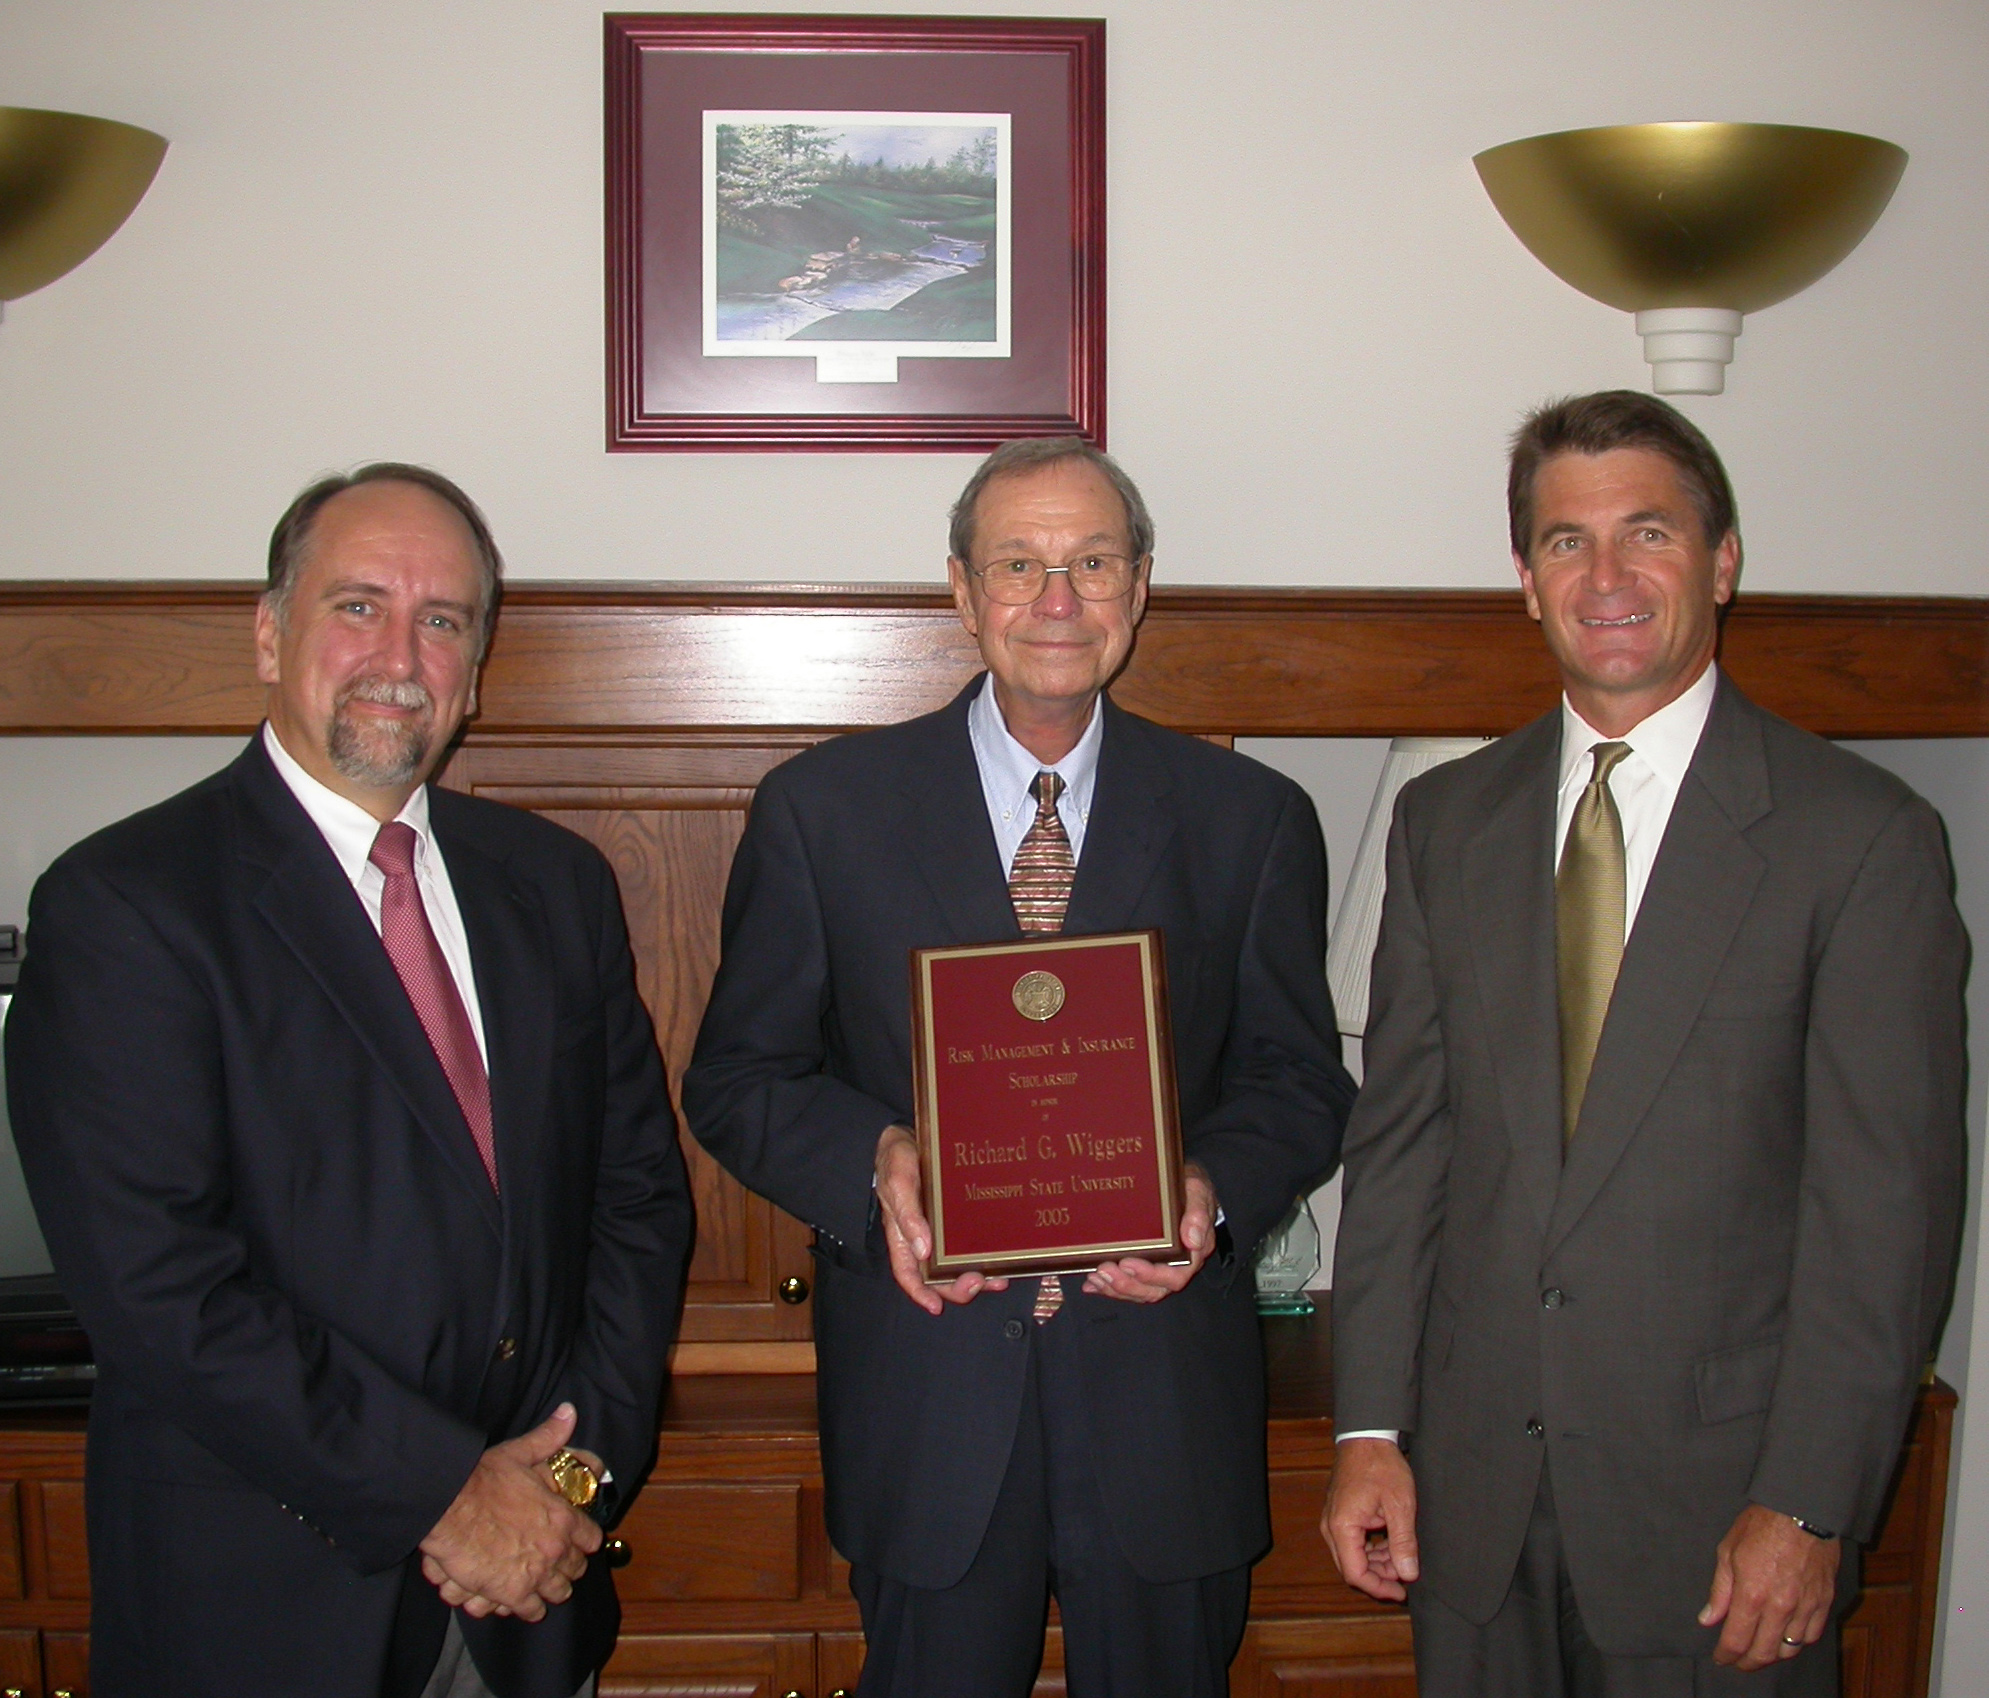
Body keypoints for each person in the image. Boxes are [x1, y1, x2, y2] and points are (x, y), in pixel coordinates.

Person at [6, 465, 693, 1698]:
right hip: (263, 1613)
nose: (401, 653)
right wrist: (444, 1495)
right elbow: (161, 1290)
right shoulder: (127, 904)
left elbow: (636, 1205)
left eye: (443, 621)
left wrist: (562, 1487)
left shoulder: (555, 888)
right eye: (358, 605)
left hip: (528, 1605)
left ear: (476, 668)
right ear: (271, 635)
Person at [683, 437, 1353, 1698]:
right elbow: (737, 1078)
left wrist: (1208, 1189)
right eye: (1020, 565)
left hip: (1161, 1405)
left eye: (1093, 563)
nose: (1058, 602)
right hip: (929, 1402)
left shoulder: (1248, 820)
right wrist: (871, 1160)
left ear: (1141, 585)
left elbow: (1301, 1084)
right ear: (959, 588)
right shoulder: (824, 812)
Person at [1323, 392, 1966, 1695]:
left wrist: (1808, 1501)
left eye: (1647, 532)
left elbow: (1881, 1215)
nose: (1605, 575)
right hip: (1471, 1508)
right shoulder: (1446, 823)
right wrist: (1371, 1427)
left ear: (1722, 559)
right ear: (1523, 579)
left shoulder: (1860, 838)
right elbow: (1401, 1155)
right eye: (1565, 541)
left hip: (1721, 1525)